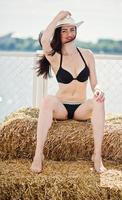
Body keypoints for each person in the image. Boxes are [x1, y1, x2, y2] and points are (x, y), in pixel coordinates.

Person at [31, 10, 106, 173]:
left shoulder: (87, 55)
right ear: (58, 33)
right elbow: (45, 39)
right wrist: (58, 16)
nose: (69, 33)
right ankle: (38, 155)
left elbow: (95, 82)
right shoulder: (55, 56)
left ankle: (97, 155)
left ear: (76, 31)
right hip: (62, 108)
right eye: (64, 30)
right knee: (47, 100)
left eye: (72, 29)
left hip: (80, 109)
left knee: (99, 101)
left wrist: (99, 90)